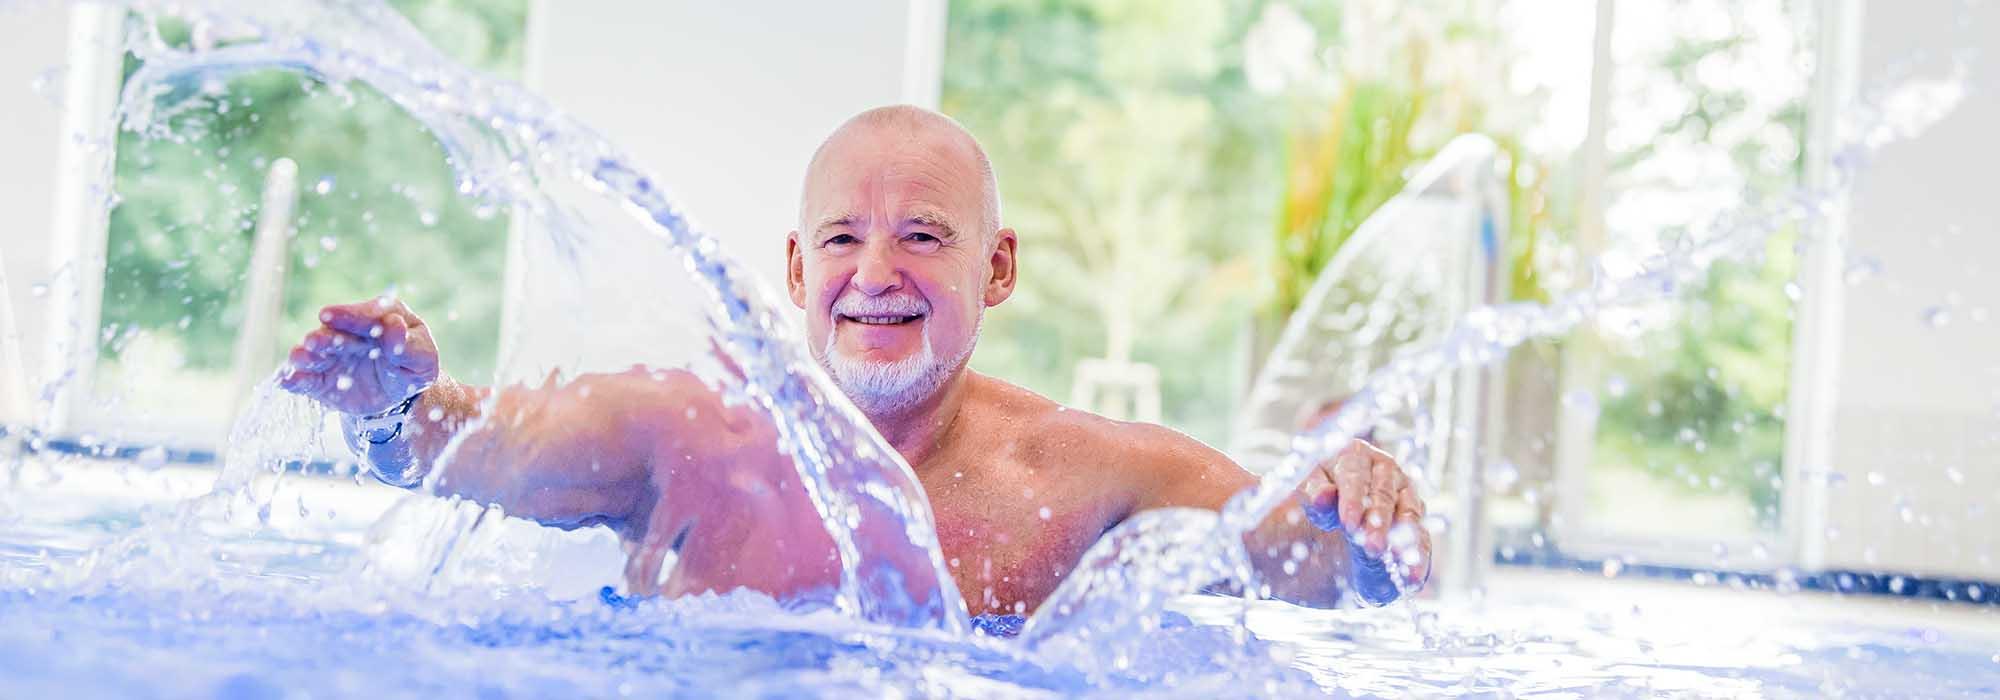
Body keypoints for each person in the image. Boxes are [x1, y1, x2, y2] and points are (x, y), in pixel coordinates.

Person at [279, 105, 1431, 617]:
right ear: (795, 265)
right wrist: (393, 406)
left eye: (923, 236)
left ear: (996, 267)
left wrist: (1363, 513)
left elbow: (1319, 567)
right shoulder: (683, 437)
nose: (875, 272)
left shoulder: (1084, 478)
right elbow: (455, 451)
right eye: (842, 237)